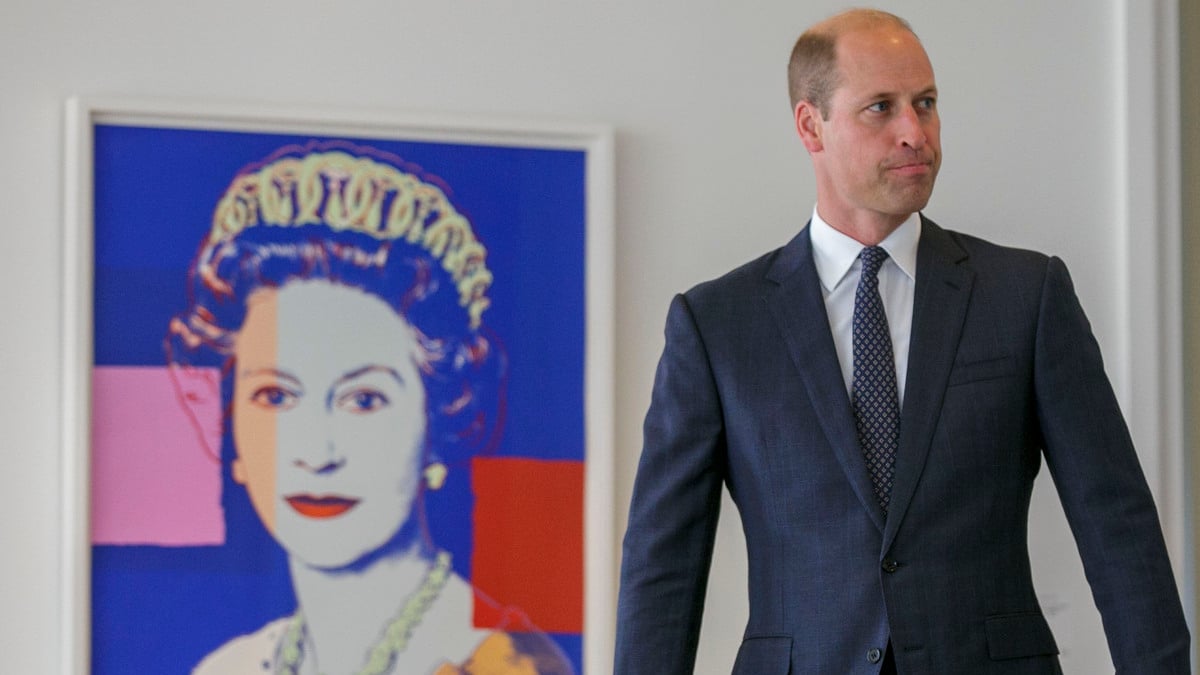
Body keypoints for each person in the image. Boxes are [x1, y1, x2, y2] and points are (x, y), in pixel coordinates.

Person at [614, 8, 1189, 674]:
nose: (914, 132)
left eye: (926, 103)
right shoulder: (716, 326)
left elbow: (1119, 526)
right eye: (880, 108)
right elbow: (663, 568)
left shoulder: (1026, 297)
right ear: (811, 125)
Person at [167, 141, 573, 675]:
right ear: (230, 426)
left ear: (439, 419)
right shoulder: (229, 668)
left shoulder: (508, 664)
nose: (317, 453)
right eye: (276, 396)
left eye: (363, 400)